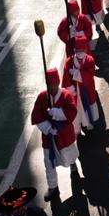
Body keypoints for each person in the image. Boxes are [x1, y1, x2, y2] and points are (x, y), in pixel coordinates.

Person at [31, 67, 80, 202]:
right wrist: (47, 128)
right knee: (48, 162)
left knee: (69, 153)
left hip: (64, 134)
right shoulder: (42, 97)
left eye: (54, 84)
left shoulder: (65, 95)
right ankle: (53, 186)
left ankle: (73, 164)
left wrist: (57, 113)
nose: (52, 87)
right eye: (49, 84)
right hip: (49, 137)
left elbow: (72, 112)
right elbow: (36, 116)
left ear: (58, 82)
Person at [62, 34, 99, 134]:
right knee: (77, 110)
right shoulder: (69, 62)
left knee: (87, 108)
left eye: (82, 50)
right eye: (78, 50)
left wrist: (77, 73)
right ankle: (77, 129)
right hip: (75, 91)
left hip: (86, 90)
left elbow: (91, 73)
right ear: (74, 50)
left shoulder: (90, 60)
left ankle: (89, 123)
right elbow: (65, 76)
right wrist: (70, 89)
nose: (80, 53)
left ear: (86, 50)